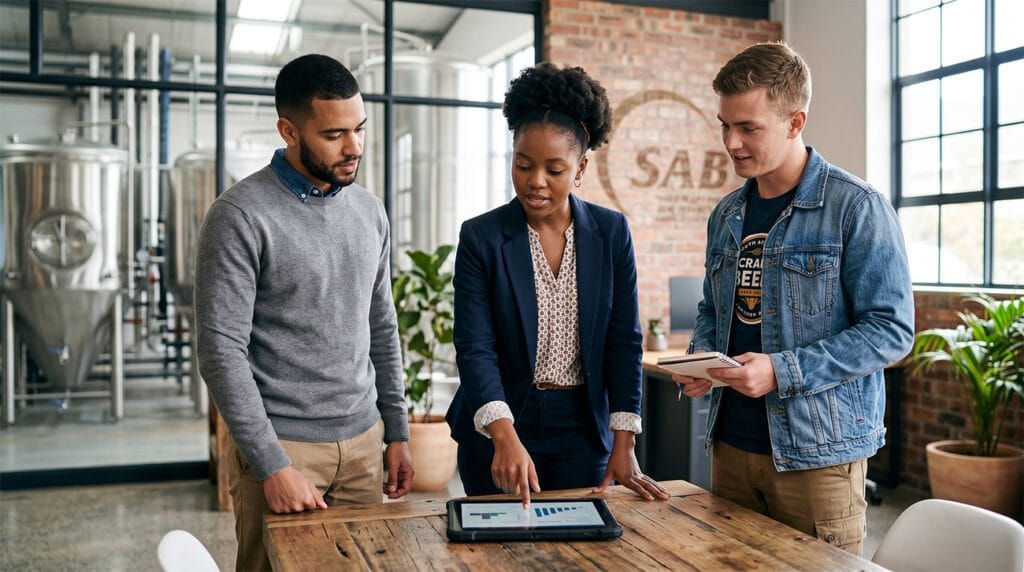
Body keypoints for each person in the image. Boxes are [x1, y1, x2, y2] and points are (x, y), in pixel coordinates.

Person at [672, 42, 914, 556]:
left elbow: (891, 332)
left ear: (795, 121)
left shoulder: (856, 207)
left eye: (748, 128)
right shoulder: (726, 214)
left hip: (818, 458)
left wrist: (782, 371)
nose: (731, 142)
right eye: (724, 125)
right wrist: (702, 357)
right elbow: (714, 308)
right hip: (730, 448)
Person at [194, 54, 414, 572]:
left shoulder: (370, 211)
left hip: (364, 445)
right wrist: (272, 464)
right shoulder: (239, 216)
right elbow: (221, 352)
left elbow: (381, 325)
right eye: (334, 134)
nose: (354, 147)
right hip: (285, 447)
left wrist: (397, 431)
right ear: (289, 131)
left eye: (359, 128)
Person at [446, 63, 669, 508]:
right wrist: (503, 435)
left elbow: (624, 342)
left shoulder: (611, 233)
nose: (535, 181)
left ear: (580, 167)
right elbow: (475, 346)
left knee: (581, 540)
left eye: (554, 169)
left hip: (582, 430)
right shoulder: (481, 237)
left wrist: (624, 441)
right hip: (500, 421)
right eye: (523, 165)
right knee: (498, 542)